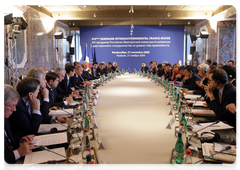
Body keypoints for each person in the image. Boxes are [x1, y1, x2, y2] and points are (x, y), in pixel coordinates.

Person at [0, 84, 36, 170]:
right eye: (11, 106)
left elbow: (7, 138)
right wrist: (18, 153)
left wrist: (20, 140)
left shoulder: (3, 117)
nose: (14, 110)